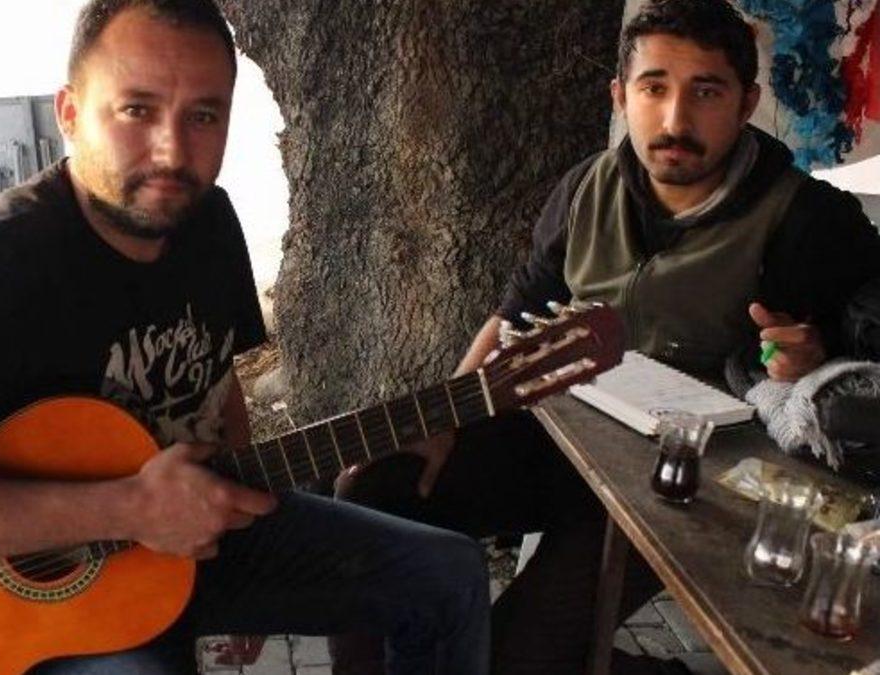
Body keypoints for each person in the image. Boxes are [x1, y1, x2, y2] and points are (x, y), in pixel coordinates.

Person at [0, 2, 490, 674]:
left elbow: (216, 381)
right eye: (137, 109)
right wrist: (133, 509)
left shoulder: (208, 220)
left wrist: (255, 505)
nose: (172, 152)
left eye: (204, 116)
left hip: (188, 536)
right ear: (70, 113)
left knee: (448, 576)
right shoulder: (3, 260)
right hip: (38, 602)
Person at [332, 1, 880, 673]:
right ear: (621, 95)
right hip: (554, 439)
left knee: (516, 654)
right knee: (371, 495)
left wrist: (813, 361)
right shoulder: (586, 186)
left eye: (706, 92)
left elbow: (856, 365)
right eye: (654, 88)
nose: (675, 121)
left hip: (676, 485)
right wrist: (445, 418)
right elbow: (512, 316)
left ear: (746, 103)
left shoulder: (807, 219)